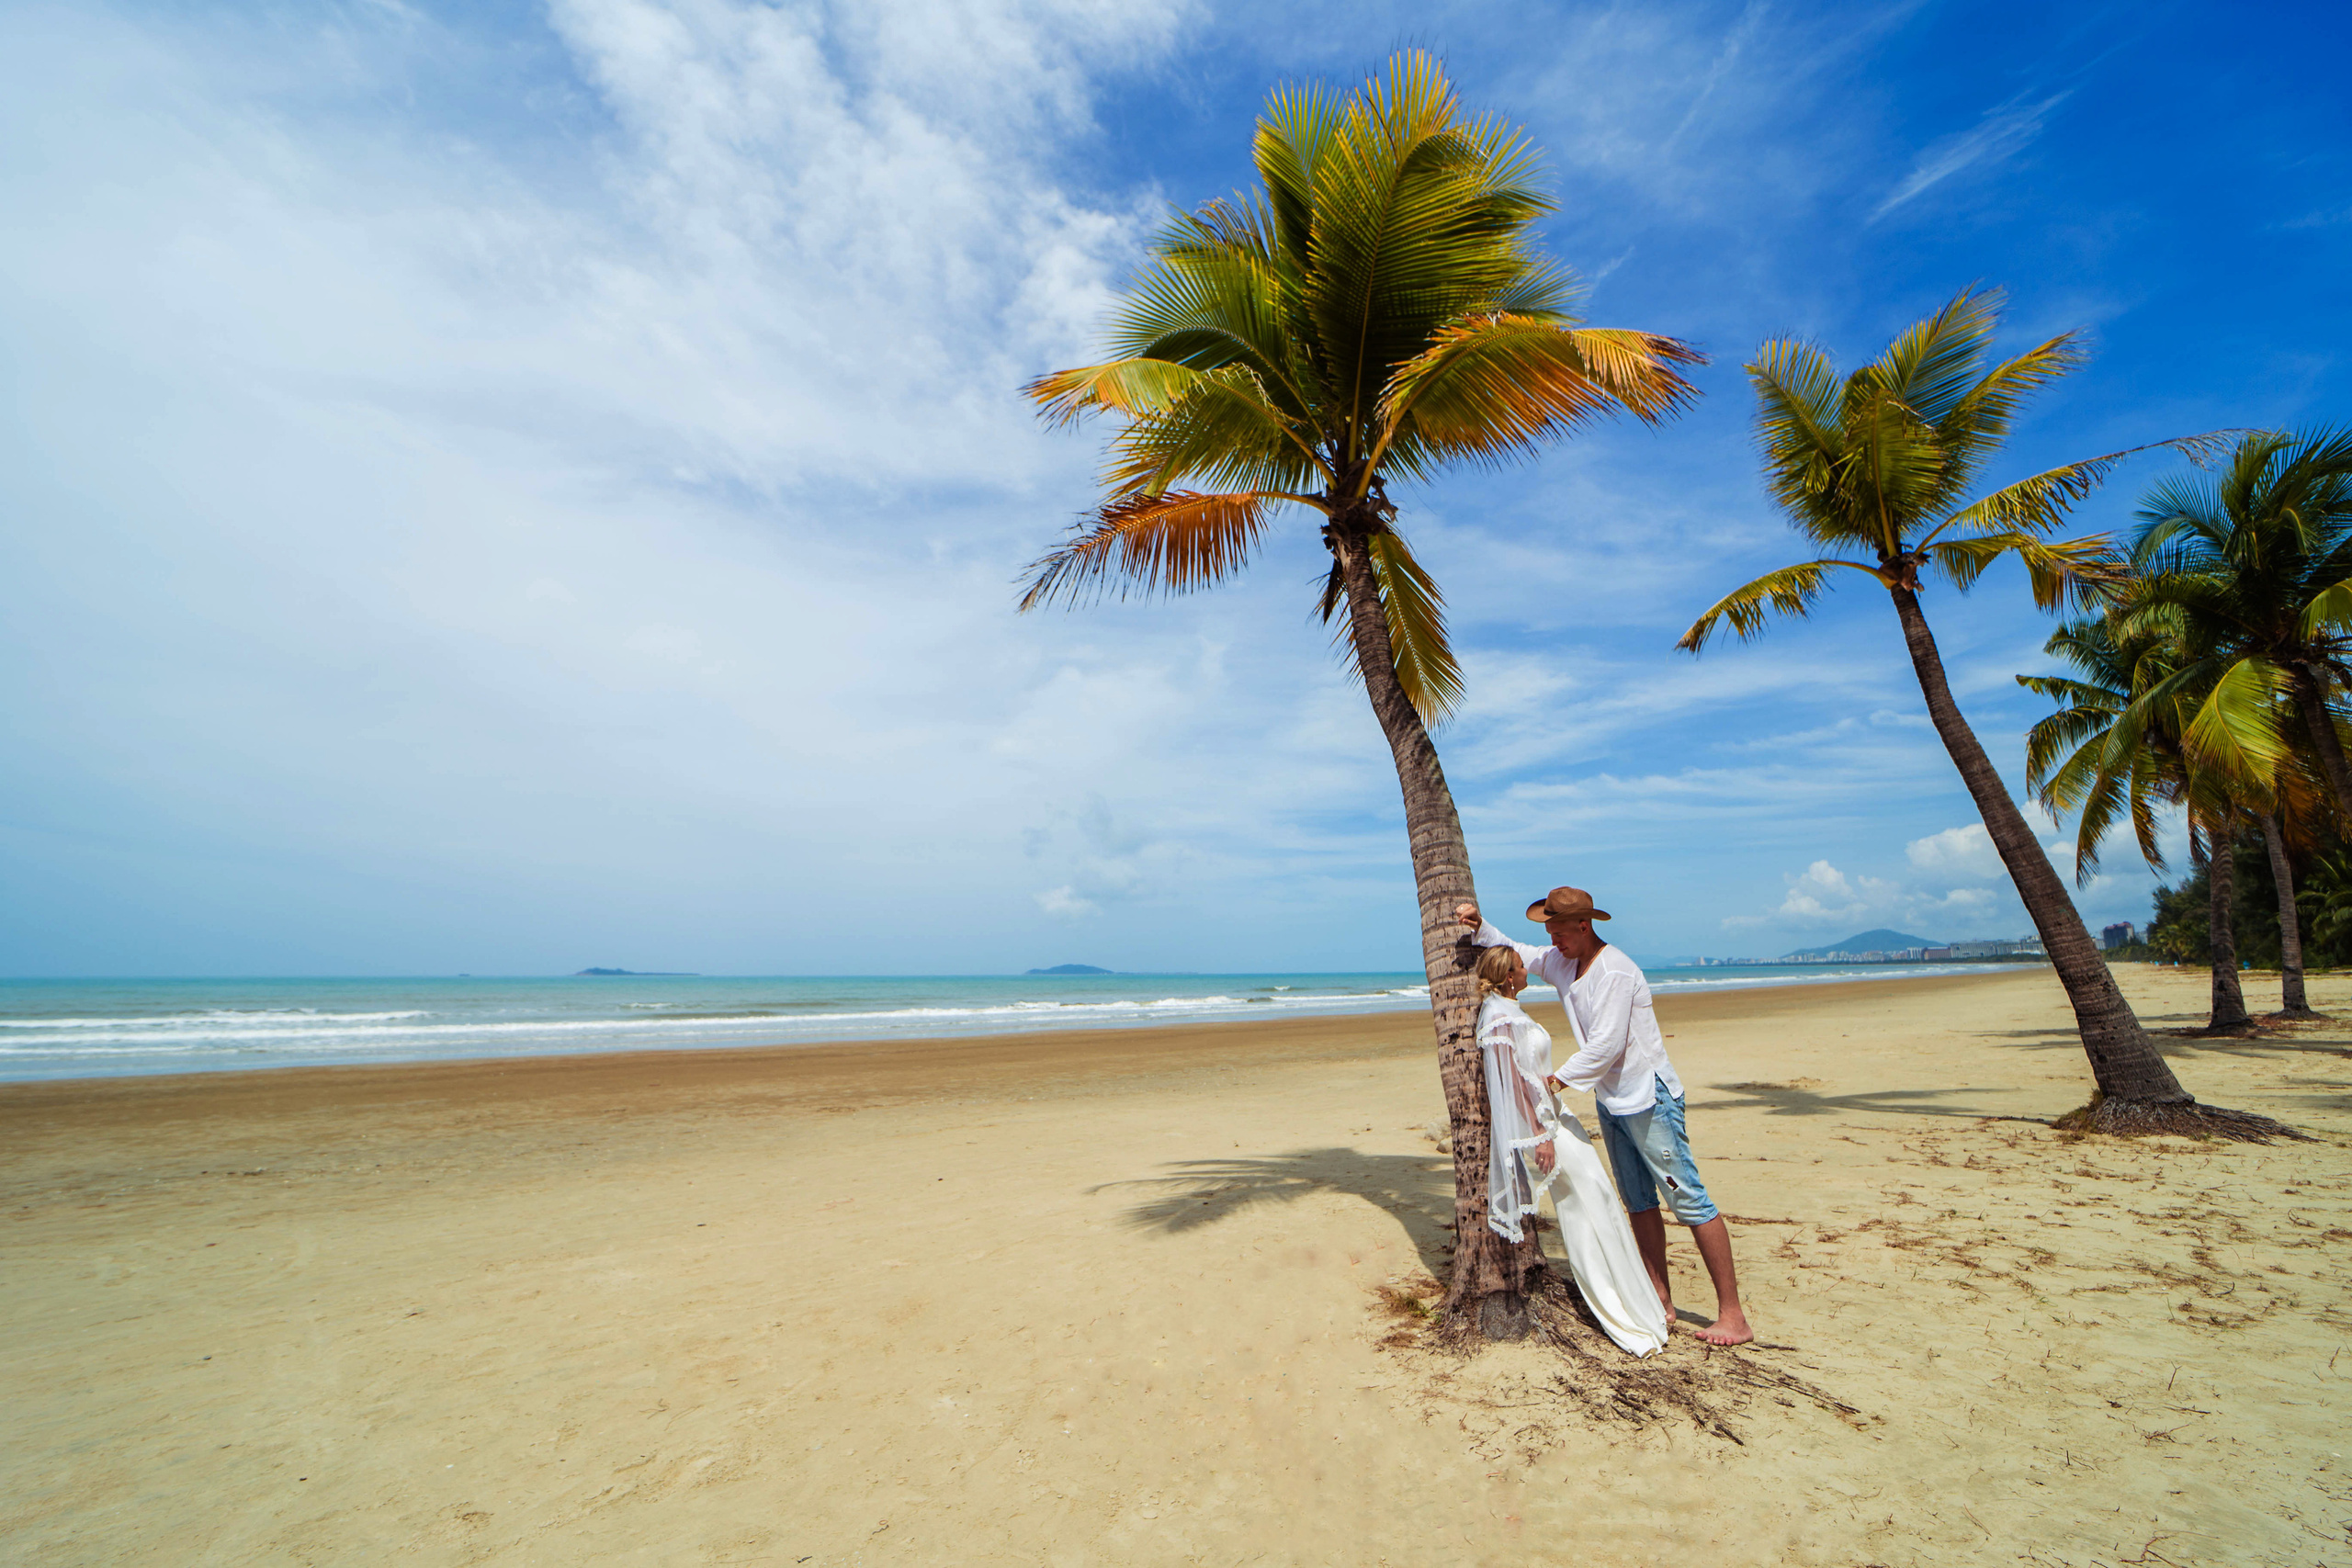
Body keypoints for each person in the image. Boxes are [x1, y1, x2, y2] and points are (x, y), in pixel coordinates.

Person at [1457, 886, 1754, 1347]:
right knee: (1638, 1201)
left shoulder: (1615, 970)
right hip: (1611, 1101)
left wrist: (1552, 1084)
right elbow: (1524, 954)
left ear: (1585, 926)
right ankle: (1660, 1298)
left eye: (1560, 933)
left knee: (1688, 1199)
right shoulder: (1561, 960)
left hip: (1648, 1098)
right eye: (1550, 933)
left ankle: (1733, 1316)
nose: (1553, 943)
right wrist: (1481, 928)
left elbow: (1607, 1045)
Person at [1474, 943, 1670, 1357]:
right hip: (1544, 1128)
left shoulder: (1509, 1010)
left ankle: (1637, 1303)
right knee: (1584, 1213)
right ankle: (1619, 1313)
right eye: (1521, 966)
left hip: (1557, 1118)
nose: (1528, 970)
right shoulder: (1497, 1016)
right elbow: (1510, 1085)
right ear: (1510, 976)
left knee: (1597, 1202)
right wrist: (1541, 1136)